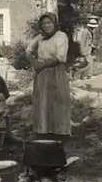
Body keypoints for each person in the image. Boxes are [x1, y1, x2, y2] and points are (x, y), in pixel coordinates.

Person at [25, 12, 71, 142]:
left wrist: (42, 65)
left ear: (54, 23)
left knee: (58, 101)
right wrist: (34, 63)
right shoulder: (40, 37)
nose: (46, 26)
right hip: (42, 75)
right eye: (44, 23)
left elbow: (60, 57)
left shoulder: (61, 36)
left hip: (56, 72)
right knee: (43, 101)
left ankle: (60, 133)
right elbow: (28, 51)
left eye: (49, 23)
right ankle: (43, 131)